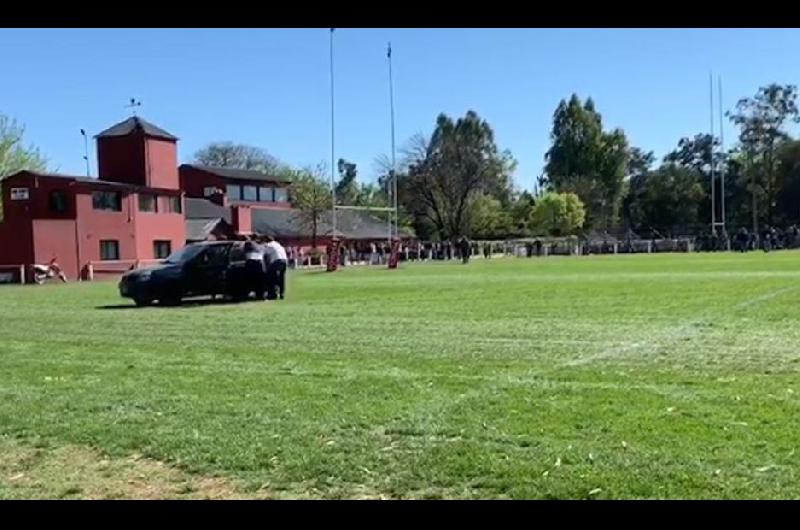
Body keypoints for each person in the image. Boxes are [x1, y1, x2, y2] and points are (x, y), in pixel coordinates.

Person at [263, 236, 288, 300]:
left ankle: (273, 294)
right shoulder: (278, 245)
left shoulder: (269, 245)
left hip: (277, 261)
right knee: (281, 279)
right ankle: (282, 294)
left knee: (272, 278)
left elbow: (264, 254)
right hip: (284, 261)